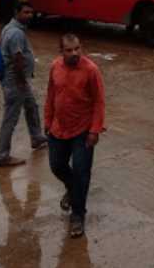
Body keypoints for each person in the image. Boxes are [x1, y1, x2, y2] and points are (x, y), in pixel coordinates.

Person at [44, 34, 105, 238]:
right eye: (69, 50)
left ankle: (78, 215)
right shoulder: (55, 67)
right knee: (56, 166)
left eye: (77, 49)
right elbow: (50, 95)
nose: (74, 53)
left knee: (81, 173)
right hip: (58, 129)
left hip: (83, 131)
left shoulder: (91, 70)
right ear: (61, 52)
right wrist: (47, 121)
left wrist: (95, 130)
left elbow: (99, 102)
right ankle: (71, 189)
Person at [0, 1, 48, 168]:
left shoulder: (10, 28)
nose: (29, 16)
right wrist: (21, 82)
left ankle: (37, 138)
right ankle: (2, 156)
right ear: (16, 13)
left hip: (18, 80)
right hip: (16, 81)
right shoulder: (16, 33)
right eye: (25, 12)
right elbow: (17, 59)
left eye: (31, 12)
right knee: (10, 118)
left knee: (32, 106)